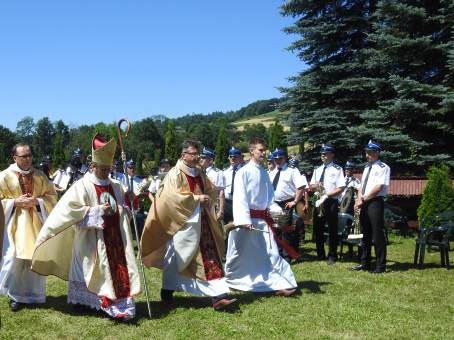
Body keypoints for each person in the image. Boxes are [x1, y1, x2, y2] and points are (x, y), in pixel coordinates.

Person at [32, 133, 140, 321]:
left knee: (115, 270)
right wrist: (97, 211)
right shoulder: (82, 186)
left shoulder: (116, 185)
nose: (107, 172)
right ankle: (84, 301)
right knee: (88, 269)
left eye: (109, 168)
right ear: (92, 166)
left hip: (114, 239)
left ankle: (117, 301)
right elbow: (70, 211)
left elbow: (125, 209)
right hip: (89, 239)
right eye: (102, 168)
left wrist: (129, 202)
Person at [140, 140, 237, 311]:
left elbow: (209, 188)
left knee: (208, 257)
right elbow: (171, 198)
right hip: (184, 224)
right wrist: (196, 199)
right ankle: (168, 288)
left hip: (203, 221)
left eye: (197, 154)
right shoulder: (174, 174)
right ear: (183, 155)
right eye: (193, 154)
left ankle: (218, 296)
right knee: (178, 258)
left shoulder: (199, 172)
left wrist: (211, 194)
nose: (197, 157)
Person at [224, 138, 297, 296]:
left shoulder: (264, 173)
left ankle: (281, 284)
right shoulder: (243, 172)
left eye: (265, 150)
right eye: (261, 150)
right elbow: (240, 197)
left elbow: (270, 197)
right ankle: (232, 281)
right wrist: (244, 221)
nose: (264, 153)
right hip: (247, 221)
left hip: (263, 222)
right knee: (239, 253)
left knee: (271, 253)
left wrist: (277, 212)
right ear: (251, 151)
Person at [0, 143, 57, 311]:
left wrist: (38, 201)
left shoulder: (40, 176)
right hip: (13, 224)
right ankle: (15, 295)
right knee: (14, 258)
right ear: (14, 157)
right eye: (24, 156)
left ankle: (34, 295)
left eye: (30, 155)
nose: (28, 159)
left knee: (34, 258)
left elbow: (52, 196)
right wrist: (14, 202)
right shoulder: (3, 176)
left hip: (36, 223)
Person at [353, 140, 390, 274]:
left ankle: (380, 265)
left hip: (375, 202)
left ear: (377, 153)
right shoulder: (366, 167)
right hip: (364, 202)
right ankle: (365, 263)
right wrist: (358, 198)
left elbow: (378, 186)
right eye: (366, 153)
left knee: (377, 234)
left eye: (370, 153)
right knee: (365, 234)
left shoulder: (383, 167)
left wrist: (363, 198)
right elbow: (362, 186)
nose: (367, 155)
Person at [268, 148, 308, 261]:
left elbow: (301, 186)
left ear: (285, 158)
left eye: (280, 158)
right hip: (273, 203)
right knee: (275, 230)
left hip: (286, 203)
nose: (278, 161)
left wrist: (294, 201)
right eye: (275, 159)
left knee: (285, 231)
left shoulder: (292, 171)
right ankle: (278, 254)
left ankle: (286, 256)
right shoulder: (272, 172)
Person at [310, 144, 345, 264]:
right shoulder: (317, 169)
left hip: (331, 201)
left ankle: (332, 255)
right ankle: (320, 254)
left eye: (325, 154)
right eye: (321, 154)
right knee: (318, 229)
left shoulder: (338, 169)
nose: (323, 156)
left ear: (332, 155)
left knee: (332, 229)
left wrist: (328, 195)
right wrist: (316, 186)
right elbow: (311, 186)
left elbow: (341, 187)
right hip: (319, 201)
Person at [199, 147, 225, 222]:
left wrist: (221, 211)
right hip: (200, 206)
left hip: (212, 206)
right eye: (200, 157)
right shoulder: (198, 171)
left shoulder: (218, 173)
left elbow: (221, 193)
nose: (200, 159)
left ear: (210, 160)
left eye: (203, 157)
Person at [223, 147, 243, 224]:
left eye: (235, 157)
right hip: (227, 203)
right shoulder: (225, 172)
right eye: (231, 157)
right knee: (227, 225)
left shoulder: (244, 172)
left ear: (240, 157)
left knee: (238, 225)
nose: (233, 159)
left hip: (239, 203)